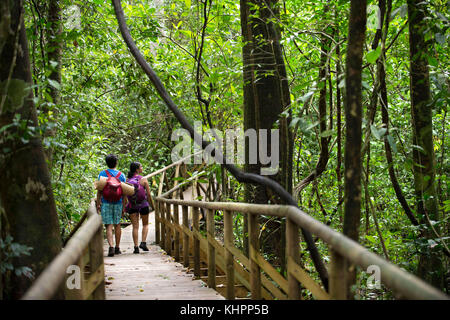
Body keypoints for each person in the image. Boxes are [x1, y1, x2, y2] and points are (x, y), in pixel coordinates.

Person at [96, 154, 127, 257]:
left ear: (106, 163)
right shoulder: (121, 175)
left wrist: (98, 204)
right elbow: (124, 192)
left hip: (106, 202)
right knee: (117, 224)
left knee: (108, 225)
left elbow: (99, 190)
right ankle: (117, 248)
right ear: (116, 162)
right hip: (118, 202)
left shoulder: (102, 174)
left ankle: (111, 247)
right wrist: (124, 205)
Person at [126, 161, 152, 254]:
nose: (142, 168)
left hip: (133, 205)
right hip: (144, 205)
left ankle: (136, 247)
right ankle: (143, 242)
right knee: (145, 224)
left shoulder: (127, 180)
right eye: (141, 167)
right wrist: (152, 205)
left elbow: (126, 195)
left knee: (135, 227)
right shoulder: (143, 179)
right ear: (137, 169)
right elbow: (148, 194)